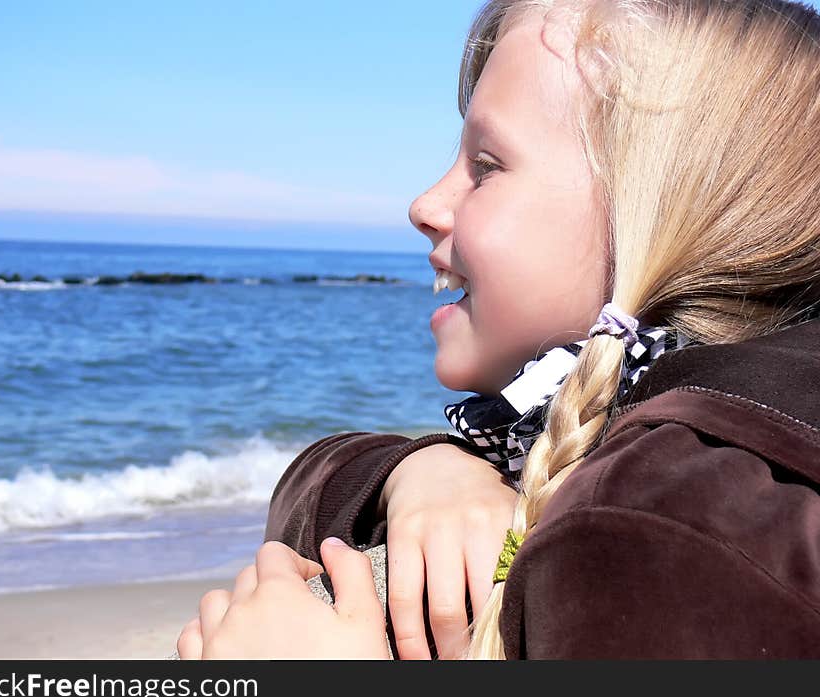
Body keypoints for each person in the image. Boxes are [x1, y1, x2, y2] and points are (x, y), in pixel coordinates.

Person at [177, 0, 820, 659]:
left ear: (655, 214)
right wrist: (419, 470)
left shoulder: (651, 529)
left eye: (485, 167)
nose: (424, 206)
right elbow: (316, 477)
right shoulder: (689, 433)